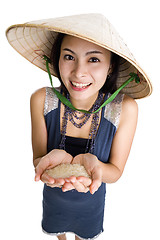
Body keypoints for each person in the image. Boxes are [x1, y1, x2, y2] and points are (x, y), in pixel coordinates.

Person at [6, 13, 152, 240]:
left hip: (91, 201)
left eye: (93, 59)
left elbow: (116, 171)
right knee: (59, 232)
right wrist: (45, 167)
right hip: (55, 195)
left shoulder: (124, 109)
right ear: (57, 60)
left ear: (111, 66)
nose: (78, 72)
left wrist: (97, 170)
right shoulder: (41, 100)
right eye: (69, 57)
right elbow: (38, 159)